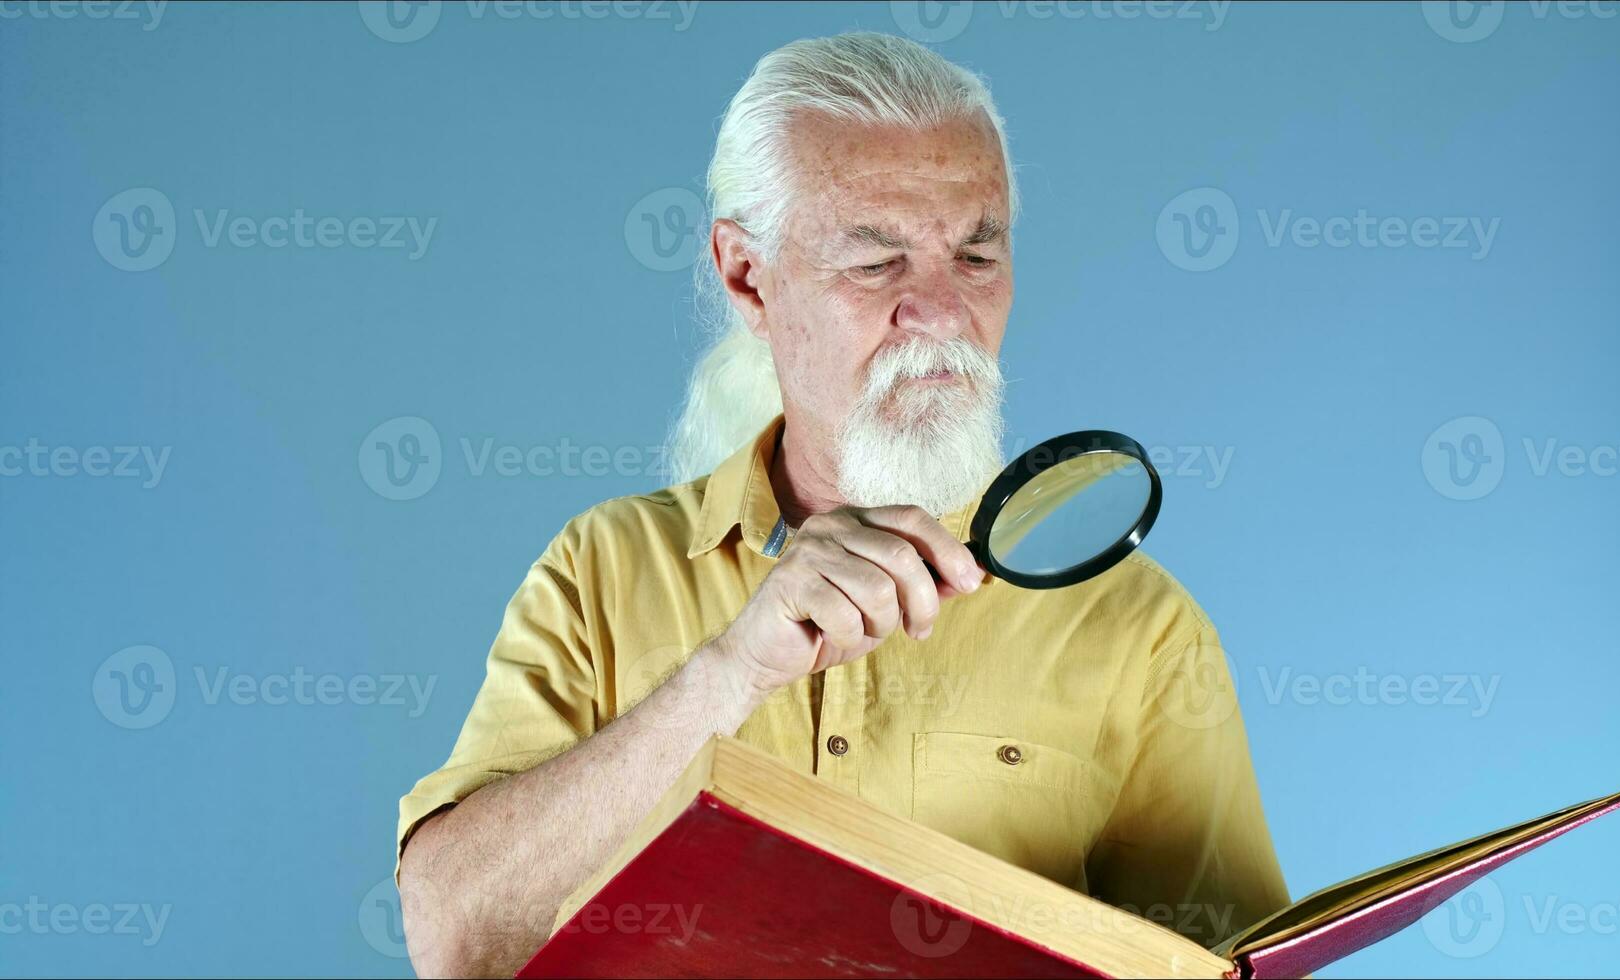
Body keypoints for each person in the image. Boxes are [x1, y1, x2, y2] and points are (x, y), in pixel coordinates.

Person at [396, 32, 1288, 977]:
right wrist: (732, 671)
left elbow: (1227, 963)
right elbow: (456, 943)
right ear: (748, 276)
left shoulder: (1141, 628)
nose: (942, 313)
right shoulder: (598, 572)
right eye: (876, 263)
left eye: (977, 255)